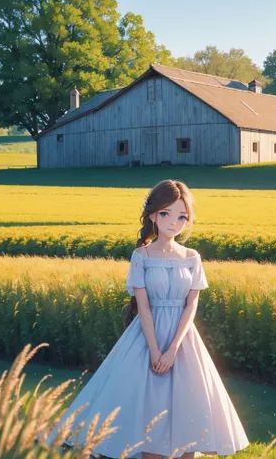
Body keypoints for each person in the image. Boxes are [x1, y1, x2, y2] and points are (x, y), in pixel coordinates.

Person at [44, 179, 250, 459]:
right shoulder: (141, 256)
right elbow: (143, 306)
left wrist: (173, 348)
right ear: (153, 215)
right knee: (146, 408)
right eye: (166, 214)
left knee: (188, 408)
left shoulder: (192, 257)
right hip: (146, 337)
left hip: (183, 339)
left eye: (182, 216)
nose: (173, 223)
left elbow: (191, 306)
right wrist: (155, 350)